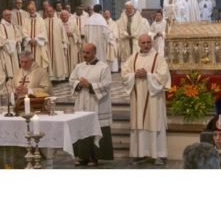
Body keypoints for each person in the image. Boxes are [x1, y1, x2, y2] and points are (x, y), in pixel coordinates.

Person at [121, 33, 171, 166]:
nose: (146, 45)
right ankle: (139, 154)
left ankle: (157, 154)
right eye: (143, 43)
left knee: (154, 122)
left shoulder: (158, 58)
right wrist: (134, 74)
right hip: (137, 98)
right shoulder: (133, 57)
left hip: (153, 98)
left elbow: (164, 76)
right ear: (139, 44)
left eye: (148, 42)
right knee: (139, 124)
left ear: (152, 42)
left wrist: (148, 75)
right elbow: (124, 74)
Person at [69, 43, 113, 166]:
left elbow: (107, 84)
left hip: (96, 104)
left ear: (94, 53)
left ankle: (94, 157)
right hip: (82, 103)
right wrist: (79, 84)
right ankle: (82, 156)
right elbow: (71, 80)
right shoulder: (79, 66)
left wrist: (90, 86)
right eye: (83, 52)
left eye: (87, 53)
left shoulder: (103, 67)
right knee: (82, 128)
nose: (85, 55)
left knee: (95, 128)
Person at [0, 9, 22, 78]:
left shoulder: (13, 25)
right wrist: (13, 43)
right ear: (3, 16)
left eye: (10, 14)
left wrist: (17, 41)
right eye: (7, 15)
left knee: (15, 67)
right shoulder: (1, 26)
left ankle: (15, 79)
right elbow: (1, 41)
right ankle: (8, 80)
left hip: (14, 50)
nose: (9, 16)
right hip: (5, 51)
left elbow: (18, 35)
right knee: (6, 66)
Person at [44, 6, 69, 81]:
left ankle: (59, 77)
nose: (49, 13)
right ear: (46, 12)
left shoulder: (59, 21)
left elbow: (63, 34)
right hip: (47, 45)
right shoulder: (43, 21)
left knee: (58, 60)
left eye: (51, 11)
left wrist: (64, 43)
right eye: (47, 11)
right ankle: (50, 78)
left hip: (57, 45)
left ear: (53, 12)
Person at [22, 3, 50, 69]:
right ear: (27, 10)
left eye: (32, 9)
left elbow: (43, 31)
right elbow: (23, 31)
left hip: (38, 45)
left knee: (39, 60)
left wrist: (36, 40)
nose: (31, 11)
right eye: (29, 9)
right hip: (29, 44)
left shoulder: (41, 20)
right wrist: (29, 40)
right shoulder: (25, 20)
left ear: (35, 9)